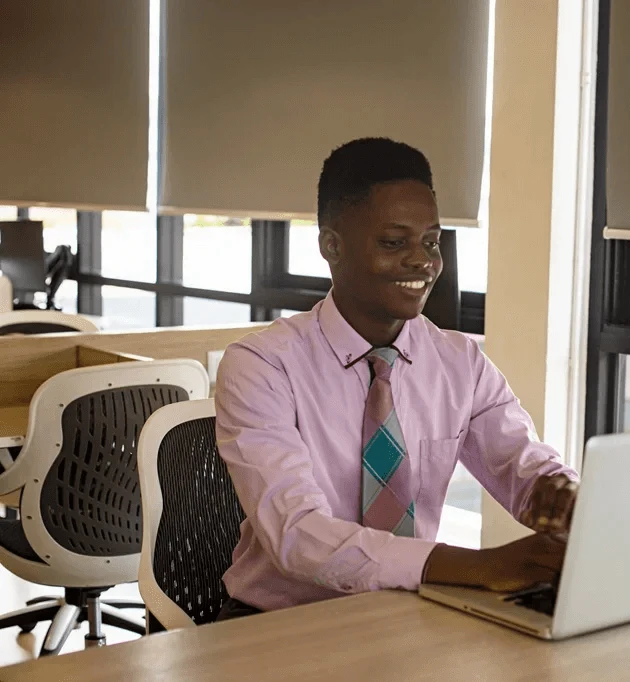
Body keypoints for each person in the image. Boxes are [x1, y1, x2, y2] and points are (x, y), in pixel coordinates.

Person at [213, 137, 580, 620]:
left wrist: (559, 496)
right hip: (279, 623)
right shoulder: (261, 365)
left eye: (431, 242)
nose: (423, 261)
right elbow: (298, 536)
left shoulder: (460, 362)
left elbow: (523, 465)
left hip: (406, 615)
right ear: (332, 246)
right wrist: (480, 566)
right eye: (394, 242)